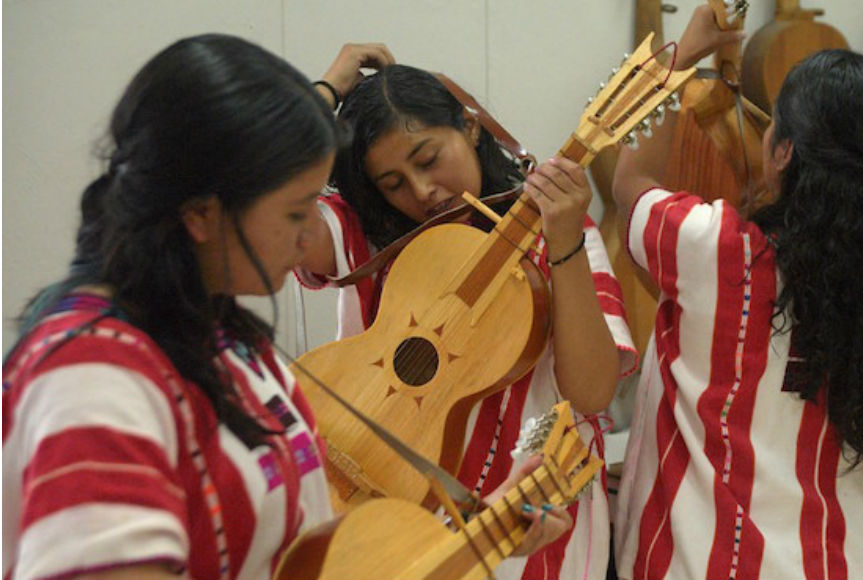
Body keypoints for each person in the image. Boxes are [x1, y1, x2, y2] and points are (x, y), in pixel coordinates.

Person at [2, 34, 568, 580]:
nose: (307, 241)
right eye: (297, 212)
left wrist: (474, 535)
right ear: (201, 213)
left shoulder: (232, 345)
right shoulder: (93, 378)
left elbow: (310, 549)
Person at [611, 5, 863, 580]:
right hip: (841, 562)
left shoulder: (717, 249)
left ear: (783, 152)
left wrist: (683, 54)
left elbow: (628, 182)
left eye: (774, 123)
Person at [296, 61, 638, 579]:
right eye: (393, 183)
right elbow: (243, 202)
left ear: (470, 126)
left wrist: (565, 239)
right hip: (389, 519)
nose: (422, 190)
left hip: (534, 534)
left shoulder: (562, 229)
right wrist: (323, 92)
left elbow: (591, 394)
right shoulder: (372, 238)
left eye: (429, 159)